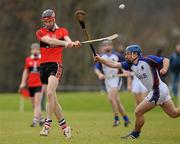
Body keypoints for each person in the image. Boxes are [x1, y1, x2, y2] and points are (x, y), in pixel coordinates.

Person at [94, 44, 180, 139]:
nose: (125, 56)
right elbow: (113, 64)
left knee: (138, 111)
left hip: (158, 91)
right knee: (174, 113)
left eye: (128, 54)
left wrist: (164, 68)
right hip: (160, 90)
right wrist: (100, 59)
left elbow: (166, 60)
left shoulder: (148, 59)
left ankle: (135, 133)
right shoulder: (130, 65)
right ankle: (135, 133)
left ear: (135, 54)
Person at [36, 9, 80, 138]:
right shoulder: (40, 32)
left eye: (49, 21)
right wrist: (66, 44)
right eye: (45, 21)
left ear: (54, 19)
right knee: (52, 98)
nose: (48, 23)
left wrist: (73, 43)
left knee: (49, 93)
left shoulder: (62, 31)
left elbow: (68, 39)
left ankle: (47, 124)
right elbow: (50, 41)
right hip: (43, 66)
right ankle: (65, 127)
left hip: (56, 65)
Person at [94, 40, 130, 127]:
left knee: (110, 98)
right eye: (105, 45)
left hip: (117, 78)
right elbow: (97, 68)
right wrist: (100, 74)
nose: (107, 47)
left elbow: (124, 65)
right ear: (103, 47)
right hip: (107, 80)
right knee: (116, 101)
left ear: (111, 46)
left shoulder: (117, 55)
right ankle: (126, 119)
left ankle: (116, 119)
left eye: (108, 45)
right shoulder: (101, 57)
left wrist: (125, 71)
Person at [19, 43, 44, 127]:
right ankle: (41, 119)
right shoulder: (28, 60)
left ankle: (35, 120)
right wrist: (23, 83)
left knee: (37, 103)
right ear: (31, 50)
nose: (35, 51)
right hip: (31, 84)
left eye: (37, 49)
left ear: (39, 50)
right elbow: (26, 72)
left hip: (40, 84)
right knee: (33, 104)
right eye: (33, 49)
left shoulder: (43, 59)